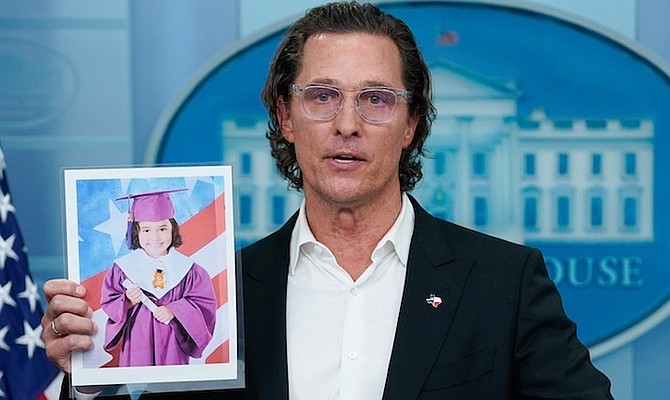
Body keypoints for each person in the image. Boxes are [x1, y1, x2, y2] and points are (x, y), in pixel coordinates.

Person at [42, 2, 613, 399]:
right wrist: (93, 375)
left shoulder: (504, 282)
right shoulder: (223, 291)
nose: (347, 124)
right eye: (322, 97)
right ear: (286, 118)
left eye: (376, 100)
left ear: (412, 122)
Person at [101, 189, 217, 367]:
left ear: (173, 229)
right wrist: (128, 301)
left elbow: (204, 306)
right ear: (135, 232)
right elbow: (109, 302)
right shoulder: (122, 269)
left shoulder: (191, 271)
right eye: (146, 230)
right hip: (137, 342)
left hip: (173, 346)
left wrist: (174, 310)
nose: (154, 237)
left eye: (162, 228)